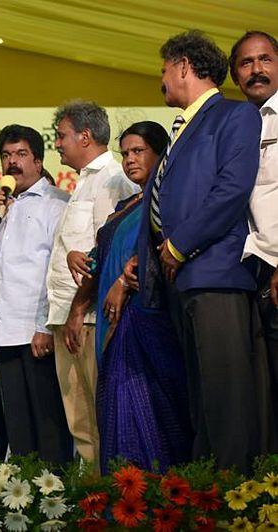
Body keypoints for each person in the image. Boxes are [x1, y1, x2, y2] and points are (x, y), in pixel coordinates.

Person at [135, 30, 264, 473]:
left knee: (226, 398)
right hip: (182, 279)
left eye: (165, 69)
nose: (163, 79)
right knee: (201, 398)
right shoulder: (183, 126)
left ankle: (236, 495)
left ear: (184, 66)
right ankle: (205, 494)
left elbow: (230, 191)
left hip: (217, 274)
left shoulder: (235, 116)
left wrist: (177, 245)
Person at [70, 121, 192, 473]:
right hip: (113, 318)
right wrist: (75, 263)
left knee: (147, 406)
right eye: (125, 153)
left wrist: (125, 280)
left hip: (146, 317)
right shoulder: (126, 204)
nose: (129, 160)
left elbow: (160, 251)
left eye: (138, 151)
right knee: (114, 407)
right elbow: (101, 255)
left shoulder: (168, 199)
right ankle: (123, 500)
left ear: (159, 153)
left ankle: (157, 498)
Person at [0, 125, 73, 464]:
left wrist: (45, 325)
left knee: (49, 422)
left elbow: (56, 270)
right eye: (6, 155)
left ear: (39, 162)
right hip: (4, 333)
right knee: (18, 428)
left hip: (37, 332)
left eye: (21, 155)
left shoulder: (57, 204)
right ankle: (27, 500)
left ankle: (57, 497)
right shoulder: (3, 207)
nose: (12, 162)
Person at [47, 100, 137, 467]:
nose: (56, 144)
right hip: (68, 317)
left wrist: (79, 309)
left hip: (87, 319)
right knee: (80, 422)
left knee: (100, 418)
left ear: (85, 136)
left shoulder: (114, 178)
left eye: (61, 136)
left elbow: (108, 250)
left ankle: (111, 500)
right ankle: (91, 499)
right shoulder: (85, 181)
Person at [231, 31, 278, 404]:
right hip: (252, 269)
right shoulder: (240, 124)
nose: (256, 69)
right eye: (246, 63)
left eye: (265, 59)